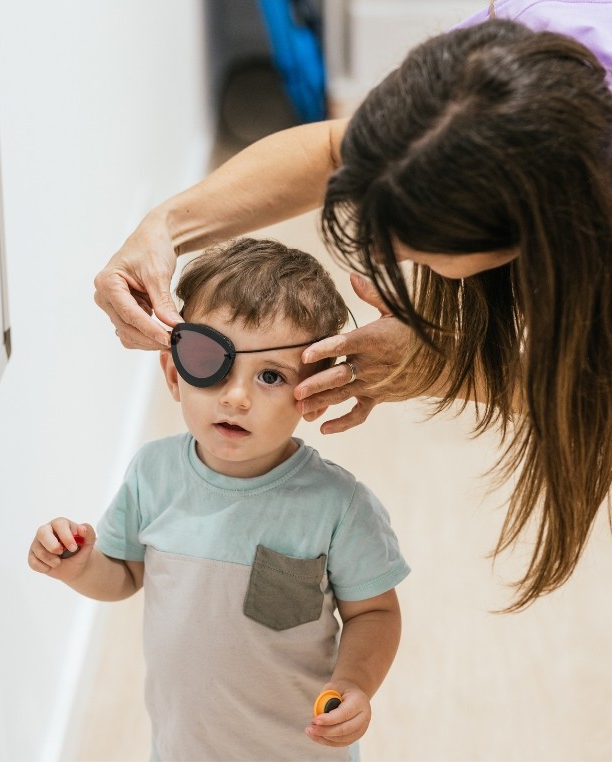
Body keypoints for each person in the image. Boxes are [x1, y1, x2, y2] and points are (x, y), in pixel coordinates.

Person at [92, 1, 612, 759]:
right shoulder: (492, 66)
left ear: (534, 234)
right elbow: (340, 149)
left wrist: (455, 367)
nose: (393, 262)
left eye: (421, 253)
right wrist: (164, 228)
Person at [31, 237, 410, 760]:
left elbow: (375, 614)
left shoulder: (338, 506)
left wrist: (354, 685)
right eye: (212, 362)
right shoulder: (153, 474)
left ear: (315, 395)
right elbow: (123, 575)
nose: (237, 397)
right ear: (174, 374)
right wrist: (78, 566)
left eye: (271, 376)